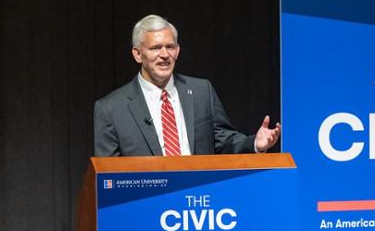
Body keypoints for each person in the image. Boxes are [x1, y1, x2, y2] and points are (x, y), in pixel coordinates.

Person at [94, 14, 280, 157]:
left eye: (170, 47)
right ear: (137, 54)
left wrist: (255, 143)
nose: (165, 54)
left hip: (196, 202)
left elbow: (224, 141)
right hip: (146, 204)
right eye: (156, 48)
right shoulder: (111, 109)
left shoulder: (201, 92)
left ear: (178, 51)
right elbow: (107, 177)